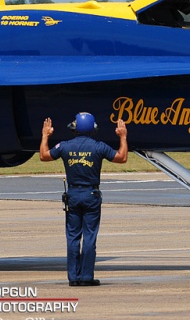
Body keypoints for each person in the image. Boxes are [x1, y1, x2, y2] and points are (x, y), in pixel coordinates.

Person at [40, 112, 128, 287]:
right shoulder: (99, 147)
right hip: (91, 196)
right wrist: (123, 137)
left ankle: (74, 277)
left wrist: (45, 136)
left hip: (73, 195)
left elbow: (44, 155)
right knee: (89, 237)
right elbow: (122, 157)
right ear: (92, 129)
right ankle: (87, 277)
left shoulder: (64, 146)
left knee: (73, 237)